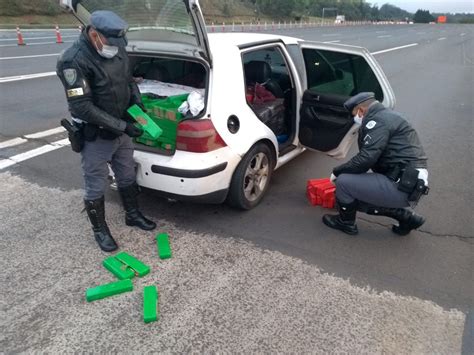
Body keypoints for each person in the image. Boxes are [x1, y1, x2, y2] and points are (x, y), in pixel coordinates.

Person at [56, 11, 156, 252]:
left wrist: (139, 110)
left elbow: (128, 81)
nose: (116, 48)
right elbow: (82, 106)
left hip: (122, 127)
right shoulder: (73, 60)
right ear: (94, 35)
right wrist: (124, 126)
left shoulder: (115, 46)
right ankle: (100, 230)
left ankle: (132, 214)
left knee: (126, 174)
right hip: (96, 135)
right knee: (95, 184)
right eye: (111, 43)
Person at [323, 92, 429, 236]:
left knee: (343, 182)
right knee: (355, 184)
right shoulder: (387, 116)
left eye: (354, 114)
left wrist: (337, 171)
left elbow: (367, 158)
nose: (354, 118)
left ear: (361, 110)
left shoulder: (377, 121)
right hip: (408, 182)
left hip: (402, 185)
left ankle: (346, 223)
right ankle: (407, 218)